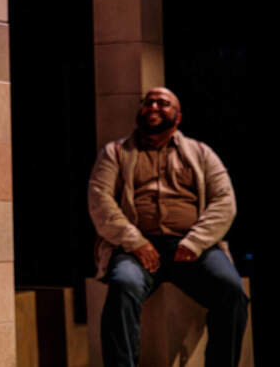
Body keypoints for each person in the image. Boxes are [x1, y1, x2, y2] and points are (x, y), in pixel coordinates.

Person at [88, 87, 248, 366]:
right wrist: (135, 242)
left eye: (163, 103)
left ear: (178, 117)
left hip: (192, 248)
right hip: (137, 248)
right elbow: (100, 201)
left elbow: (225, 201)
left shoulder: (201, 153)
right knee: (123, 285)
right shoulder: (115, 153)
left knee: (232, 292)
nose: (153, 107)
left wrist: (195, 241)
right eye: (148, 102)